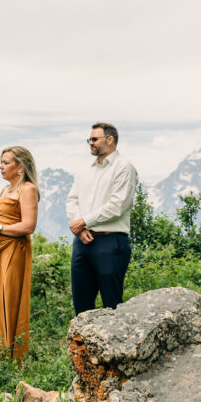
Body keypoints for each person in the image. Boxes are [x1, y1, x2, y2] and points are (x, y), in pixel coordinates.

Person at [0, 146, 39, 363]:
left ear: (20, 167)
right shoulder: (5, 190)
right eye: (1, 162)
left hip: (14, 250)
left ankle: (14, 357)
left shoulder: (27, 189)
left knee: (10, 299)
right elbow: (0, 220)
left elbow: (28, 226)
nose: (0, 166)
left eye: (6, 162)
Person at [66, 122, 138, 315]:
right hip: (82, 242)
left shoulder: (124, 167)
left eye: (94, 139)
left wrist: (84, 221)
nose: (90, 143)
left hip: (111, 242)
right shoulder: (84, 170)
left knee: (112, 305)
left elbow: (118, 205)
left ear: (110, 139)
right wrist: (80, 229)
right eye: (89, 139)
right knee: (81, 305)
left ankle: (115, 345)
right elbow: (72, 200)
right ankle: (81, 345)